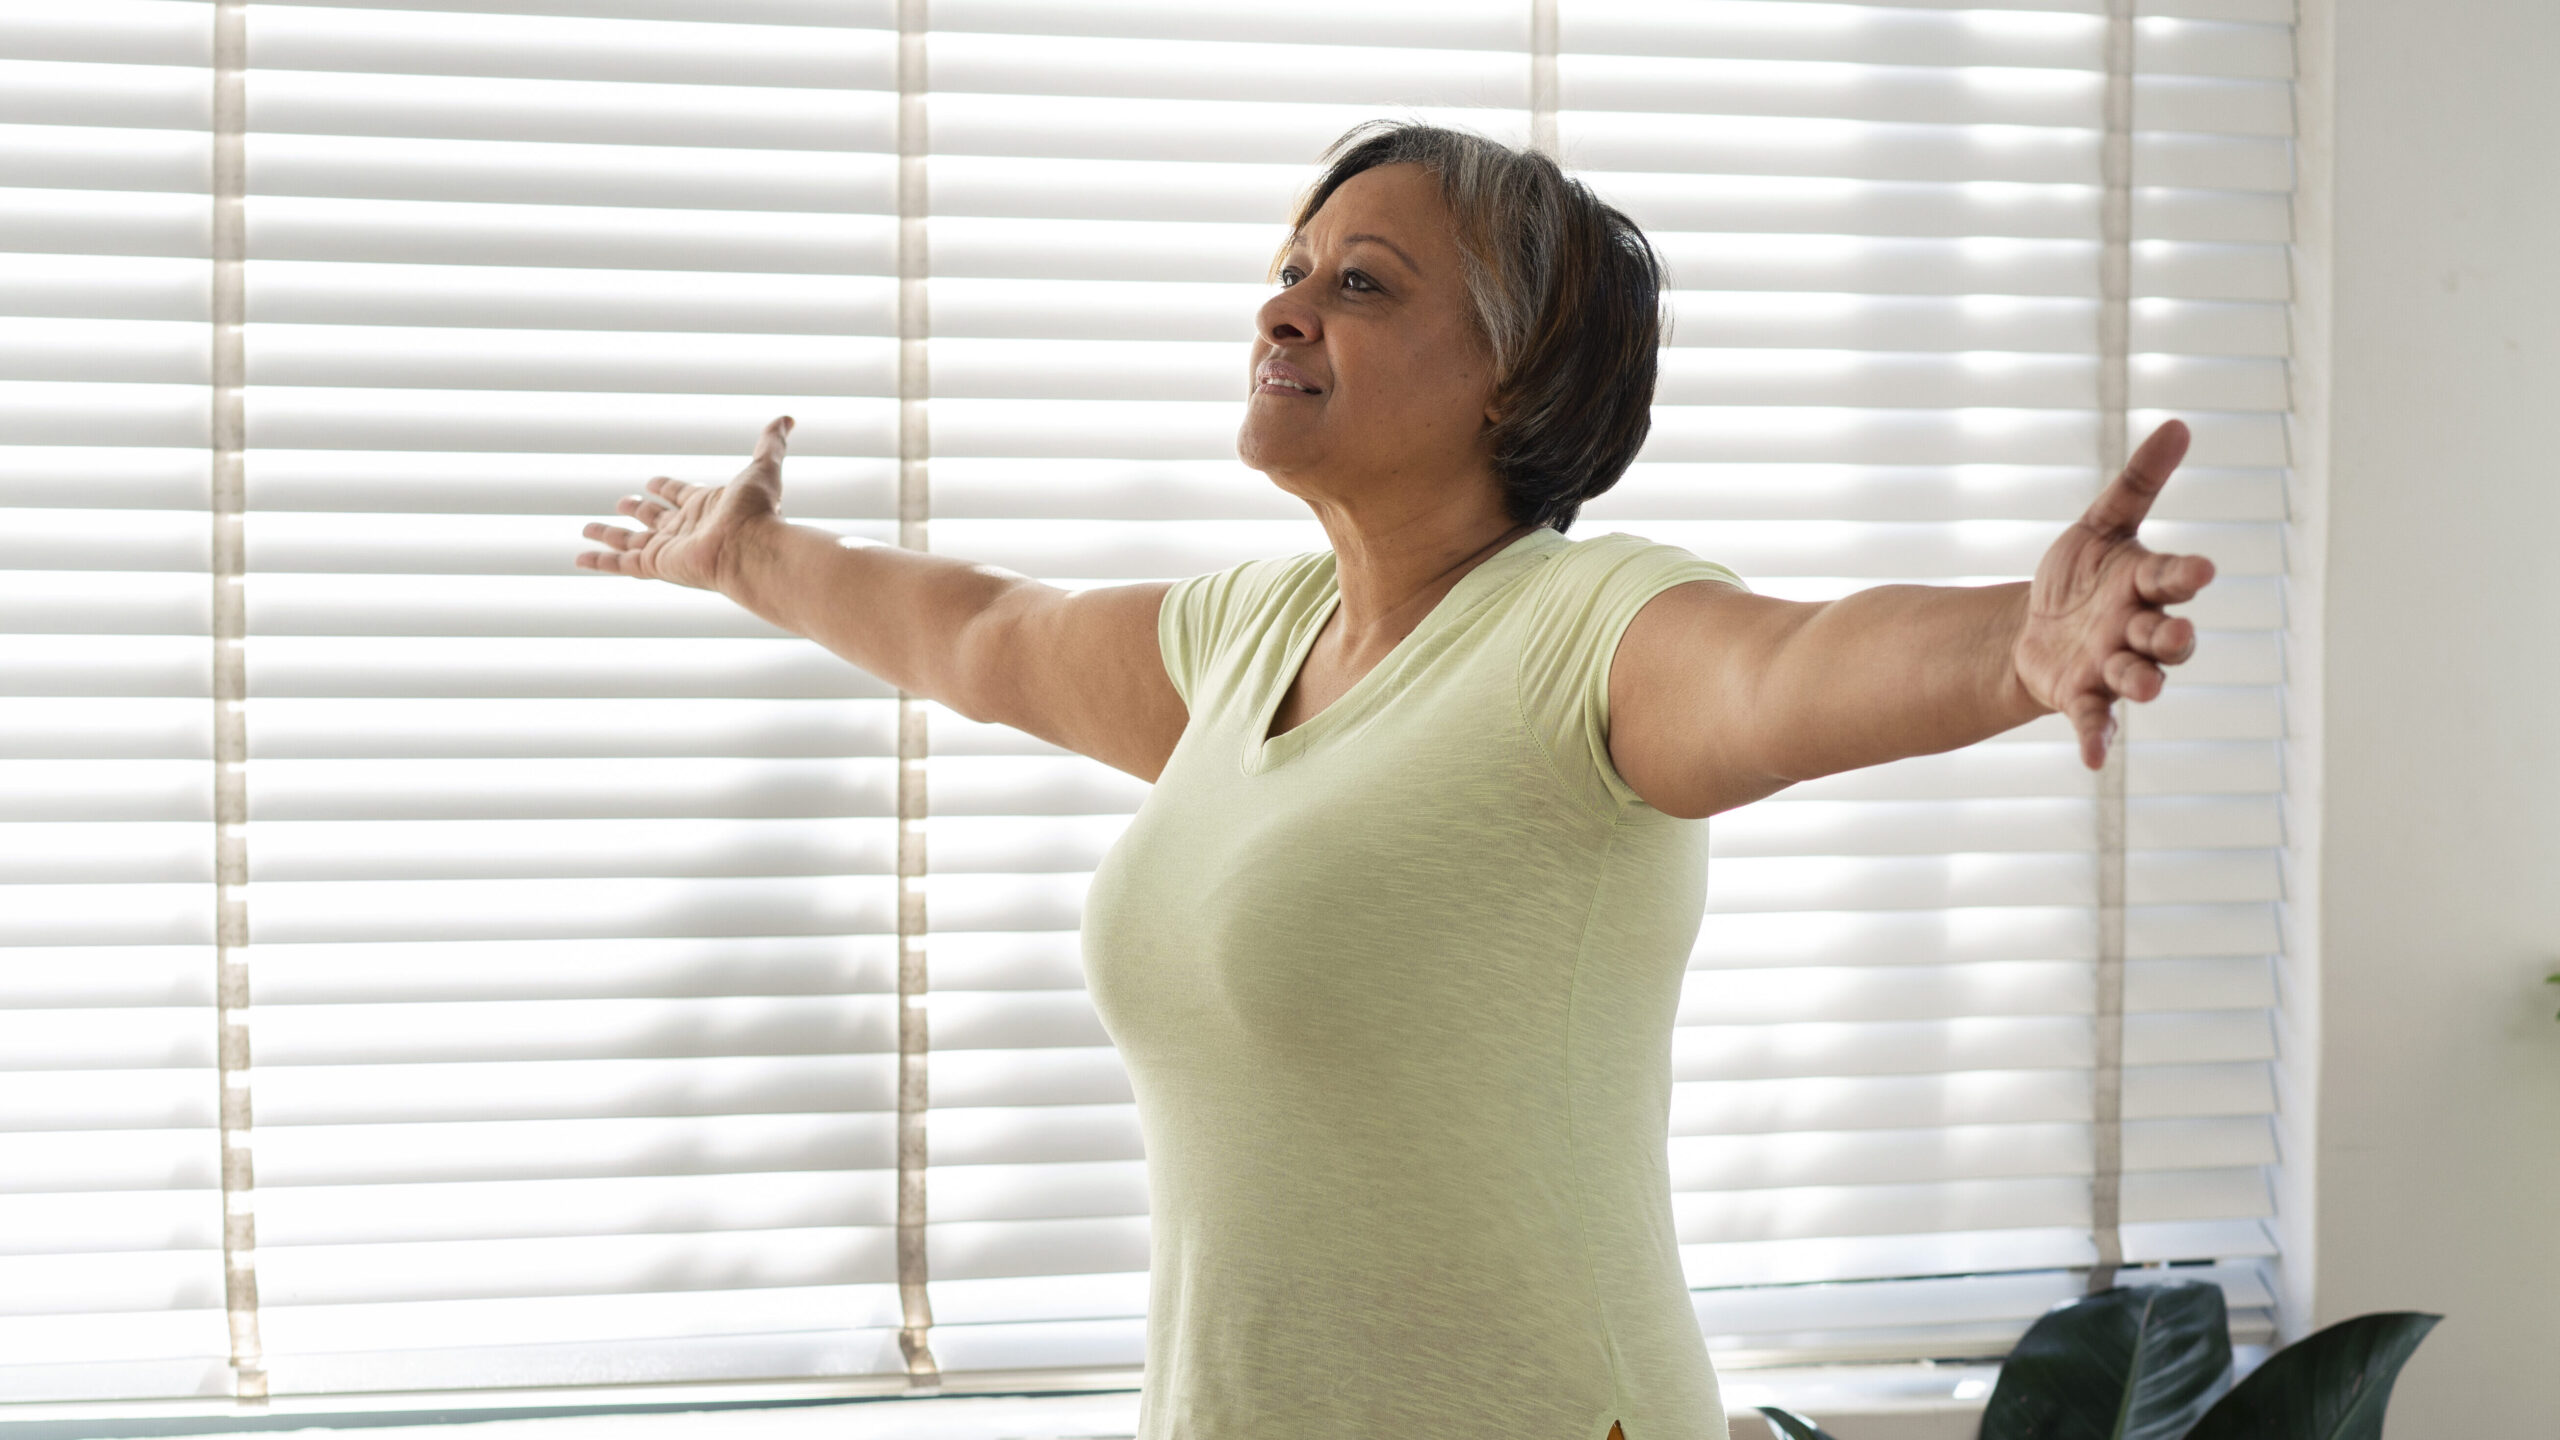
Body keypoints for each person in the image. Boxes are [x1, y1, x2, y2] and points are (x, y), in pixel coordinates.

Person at [577, 121, 2214, 1440]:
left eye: (1362, 285)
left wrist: (2021, 640)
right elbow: (992, 633)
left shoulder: (1585, 627)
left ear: (1518, 374)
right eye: (1289, 270)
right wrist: (760, 558)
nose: (1286, 307)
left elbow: (1792, 669)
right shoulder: (1247, 635)